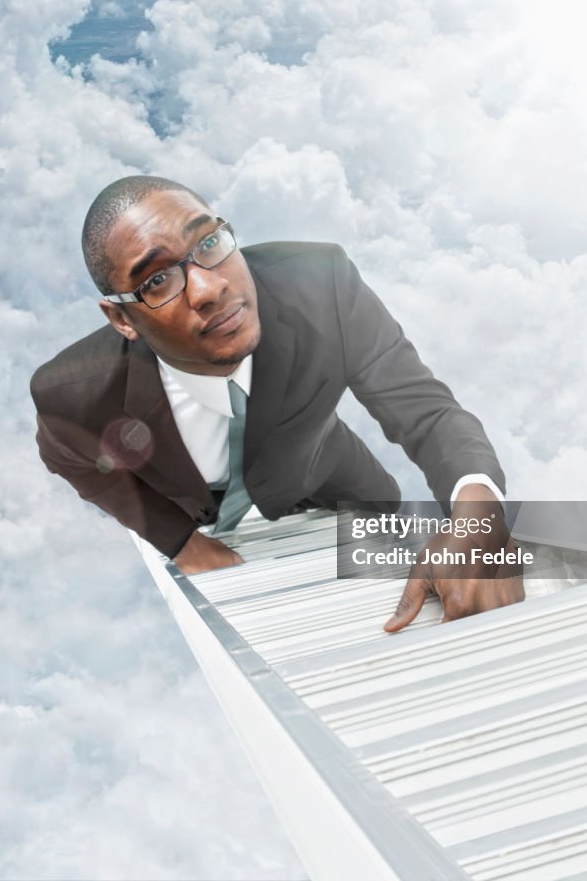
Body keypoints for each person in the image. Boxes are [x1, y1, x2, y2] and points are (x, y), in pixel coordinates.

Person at [31, 176, 524, 629]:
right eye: (157, 280)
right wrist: (181, 543)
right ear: (121, 320)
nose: (209, 287)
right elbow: (74, 462)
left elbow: (425, 410)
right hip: (204, 512)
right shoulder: (71, 396)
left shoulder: (320, 286)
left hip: (328, 477)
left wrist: (478, 518)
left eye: (209, 243)